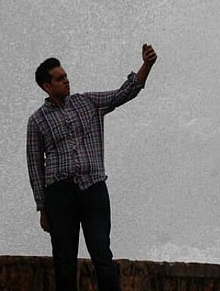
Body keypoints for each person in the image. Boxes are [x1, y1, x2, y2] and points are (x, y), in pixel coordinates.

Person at [27, 44, 157, 291]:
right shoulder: (37, 121)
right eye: (59, 79)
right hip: (60, 194)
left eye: (65, 76)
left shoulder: (87, 102)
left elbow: (125, 92)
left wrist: (147, 65)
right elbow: (35, 167)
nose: (66, 81)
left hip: (93, 188)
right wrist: (43, 208)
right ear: (47, 86)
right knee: (64, 260)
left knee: (101, 253)